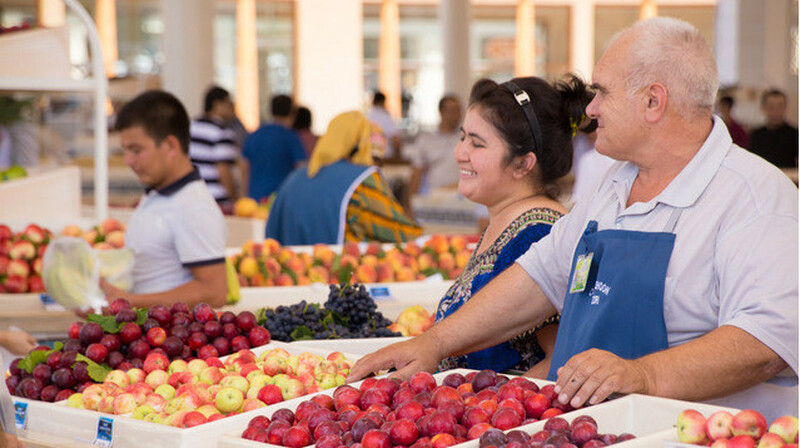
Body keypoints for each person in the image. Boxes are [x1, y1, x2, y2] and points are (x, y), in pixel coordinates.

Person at [349, 17, 798, 421]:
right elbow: (539, 276)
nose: (590, 109)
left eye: (602, 92)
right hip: (592, 428)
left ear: (653, 101)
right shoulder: (615, 184)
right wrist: (434, 343)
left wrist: (641, 375)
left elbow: (765, 342)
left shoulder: (755, 197)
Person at [436, 75, 594, 377]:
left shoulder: (538, 233)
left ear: (523, 164)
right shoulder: (510, 219)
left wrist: (491, 401)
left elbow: (561, 359)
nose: (460, 153)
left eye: (477, 144)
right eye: (462, 137)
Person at [101, 90, 228, 308]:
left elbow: (214, 292)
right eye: (125, 150)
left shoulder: (194, 207)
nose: (128, 160)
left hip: (166, 330)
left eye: (136, 150)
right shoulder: (157, 193)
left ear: (170, 146)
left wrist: (129, 303)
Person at [266, 111, 421, 245]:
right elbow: (403, 234)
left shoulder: (292, 179)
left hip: (294, 269)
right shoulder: (362, 180)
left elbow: (272, 236)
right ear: (358, 146)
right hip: (341, 269)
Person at [242, 95, 307, 202]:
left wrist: (245, 197)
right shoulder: (291, 137)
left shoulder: (254, 135)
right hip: (282, 200)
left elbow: (244, 169)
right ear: (292, 113)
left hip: (255, 199)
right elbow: (301, 168)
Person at [406, 95, 463, 201]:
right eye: (452, 110)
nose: (457, 115)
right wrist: (410, 203)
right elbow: (416, 173)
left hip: (460, 196)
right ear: (441, 112)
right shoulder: (426, 139)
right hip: (433, 197)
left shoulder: (465, 138)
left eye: (458, 110)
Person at [189, 86, 240, 204]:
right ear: (217, 105)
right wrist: (234, 199)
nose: (232, 108)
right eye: (229, 104)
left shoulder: (191, 126)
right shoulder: (222, 131)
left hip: (194, 195)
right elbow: (223, 170)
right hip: (217, 199)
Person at [748, 89, 799, 168]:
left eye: (779, 107)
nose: (775, 111)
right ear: (763, 108)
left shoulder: (794, 134)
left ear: (785, 107)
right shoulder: (756, 135)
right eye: (771, 107)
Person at [368, 91, 403, 160]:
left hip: (369, 158)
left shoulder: (367, 117)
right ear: (383, 102)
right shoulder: (386, 118)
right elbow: (395, 139)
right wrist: (399, 155)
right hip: (385, 158)